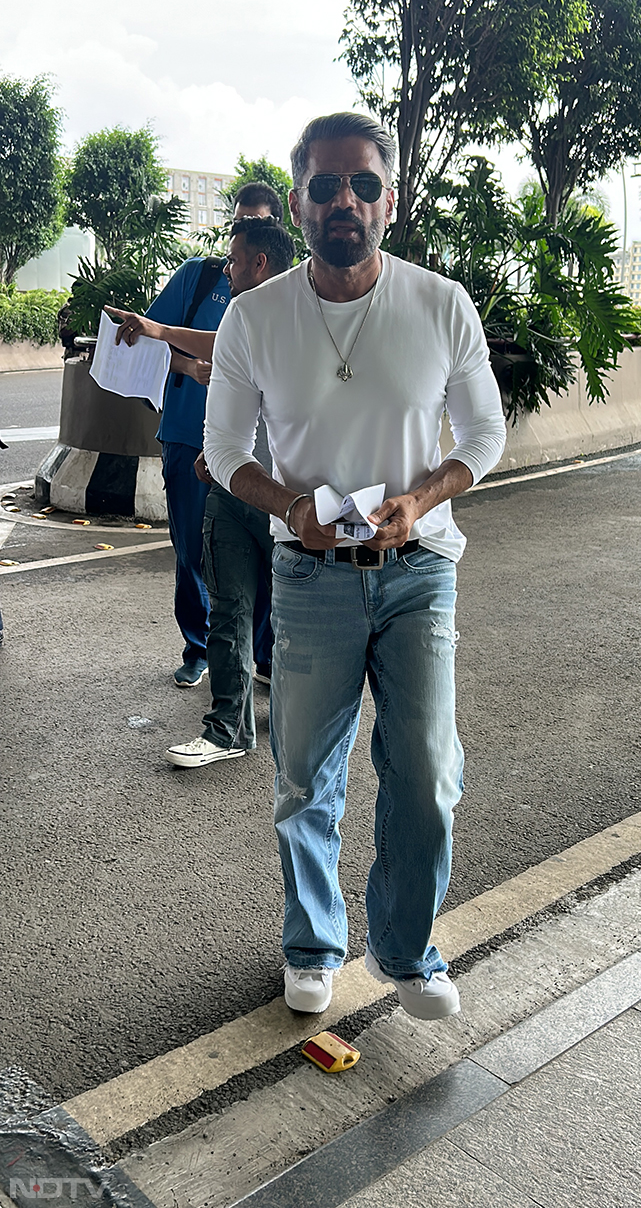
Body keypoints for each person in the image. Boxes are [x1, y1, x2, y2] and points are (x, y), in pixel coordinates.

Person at [204, 112, 507, 1022]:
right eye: (327, 185)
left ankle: (408, 953)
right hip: (308, 574)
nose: (346, 201)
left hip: (419, 567)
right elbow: (225, 452)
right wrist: (293, 508)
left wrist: (419, 499)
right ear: (297, 199)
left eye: (364, 184)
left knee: (424, 769)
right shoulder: (254, 318)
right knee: (305, 770)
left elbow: (486, 434)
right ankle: (312, 943)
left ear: (390, 197)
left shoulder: (441, 303)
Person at [107, 217, 296, 767]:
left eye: (235, 259)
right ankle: (227, 728)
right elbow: (225, 366)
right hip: (226, 484)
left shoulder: (300, 309)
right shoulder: (242, 314)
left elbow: (231, 359)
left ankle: (299, 719)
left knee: (288, 610)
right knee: (230, 607)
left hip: (285, 497)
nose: (228, 268)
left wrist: (161, 333)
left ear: (260, 262)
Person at [144, 181, 283, 688]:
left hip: (257, 450)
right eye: (236, 223)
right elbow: (148, 339)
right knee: (191, 549)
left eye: (253, 224)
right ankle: (200, 647)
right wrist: (190, 366)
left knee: (265, 552)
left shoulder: (290, 296)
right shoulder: (198, 279)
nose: (239, 235)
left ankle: (261, 654)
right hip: (188, 433)